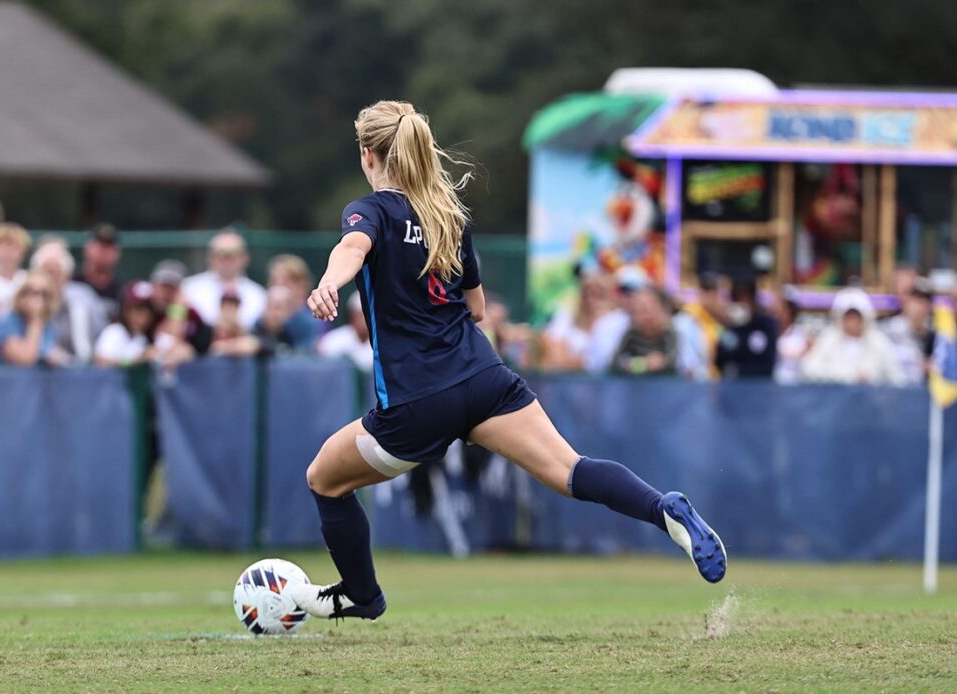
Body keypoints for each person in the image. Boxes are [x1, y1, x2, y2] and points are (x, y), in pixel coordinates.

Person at [289, 101, 726, 622]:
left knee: (325, 479)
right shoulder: (450, 216)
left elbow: (352, 248)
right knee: (571, 470)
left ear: (368, 155)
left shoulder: (371, 210)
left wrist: (327, 285)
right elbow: (476, 309)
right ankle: (663, 509)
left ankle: (363, 595)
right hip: (484, 380)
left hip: (416, 400)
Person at [801, 288, 906, 385]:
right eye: (849, 317)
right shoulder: (829, 339)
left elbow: (897, 377)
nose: (853, 322)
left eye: (857, 317)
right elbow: (810, 369)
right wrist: (848, 376)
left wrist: (873, 381)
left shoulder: (879, 341)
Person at [30, 242, 108, 365]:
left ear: (67, 275)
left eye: (56, 272)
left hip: (82, 371)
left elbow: (101, 334)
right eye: (46, 272)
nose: (51, 278)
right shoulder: (25, 299)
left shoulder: (84, 297)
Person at [180, 230, 267, 330]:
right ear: (210, 257)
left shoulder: (259, 295)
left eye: (233, 254)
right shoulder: (188, 289)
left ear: (245, 258)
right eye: (220, 254)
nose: (227, 260)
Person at [0, 271, 68, 367]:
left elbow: (54, 355)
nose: (37, 299)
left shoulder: (49, 324)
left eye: (43, 294)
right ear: (21, 295)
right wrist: (35, 319)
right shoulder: (8, 321)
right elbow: (24, 359)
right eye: (30, 292)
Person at [609, 286, 680, 377]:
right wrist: (642, 364)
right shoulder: (631, 334)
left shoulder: (670, 333)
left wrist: (632, 365)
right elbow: (614, 365)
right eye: (637, 311)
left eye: (647, 309)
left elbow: (671, 365)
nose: (644, 316)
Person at [714, 277, 778, 379]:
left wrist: (740, 369)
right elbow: (719, 361)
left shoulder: (766, 325)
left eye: (744, 300)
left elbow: (768, 362)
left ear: (753, 300)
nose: (740, 304)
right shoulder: (729, 328)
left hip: (760, 388)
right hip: (732, 387)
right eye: (736, 300)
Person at [94, 281, 158, 367]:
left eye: (147, 311)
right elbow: (102, 361)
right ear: (126, 311)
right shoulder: (115, 331)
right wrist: (134, 360)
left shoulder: (153, 336)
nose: (142, 317)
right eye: (137, 310)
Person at [0, 222, 31, 325]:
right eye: (2, 247)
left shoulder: (28, 280)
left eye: (14, 248)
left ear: (23, 251)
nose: (8, 253)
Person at [74, 223, 123, 319]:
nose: (104, 251)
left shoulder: (122, 290)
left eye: (109, 247)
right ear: (87, 248)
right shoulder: (72, 284)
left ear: (118, 253)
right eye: (99, 245)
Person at [318, 293, 374, 372]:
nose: (365, 320)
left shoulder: (379, 341)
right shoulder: (336, 339)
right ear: (352, 315)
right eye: (361, 315)